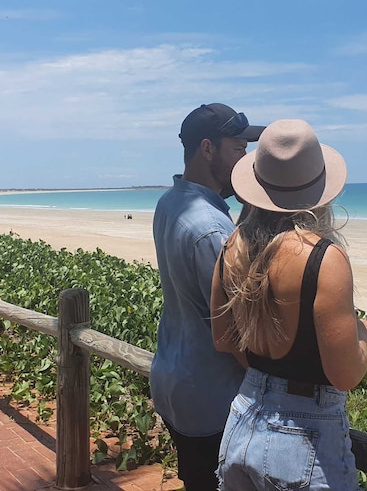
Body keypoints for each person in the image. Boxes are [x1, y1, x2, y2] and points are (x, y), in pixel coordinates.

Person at [210, 119, 367, 491]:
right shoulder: (323, 258)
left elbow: (224, 341)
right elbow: (345, 375)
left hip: (243, 415)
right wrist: (363, 339)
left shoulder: (232, 247)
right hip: (304, 433)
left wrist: (267, 377)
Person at [151, 103, 265, 490]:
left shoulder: (170, 202)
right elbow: (235, 331)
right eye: (238, 149)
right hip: (211, 397)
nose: (245, 160)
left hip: (176, 381)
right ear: (207, 149)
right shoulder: (211, 227)